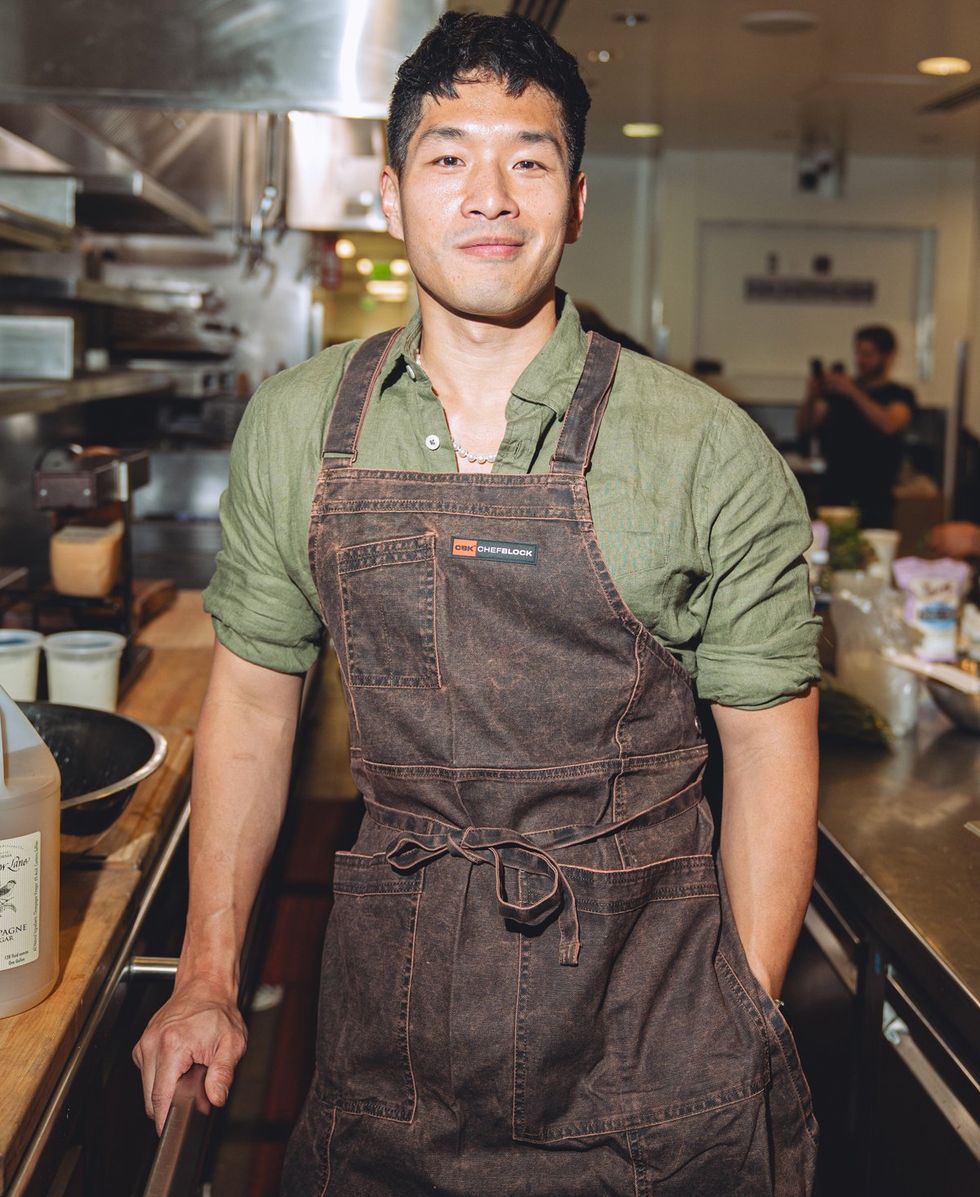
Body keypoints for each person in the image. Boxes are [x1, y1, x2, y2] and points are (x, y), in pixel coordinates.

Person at [134, 12, 821, 1195]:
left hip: (652, 1035)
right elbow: (250, 703)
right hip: (389, 1026)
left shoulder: (705, 448)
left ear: (577, 200)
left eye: (529, 161)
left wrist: (744, 1014)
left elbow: (767, 746)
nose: (489, 196)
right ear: (390, 195)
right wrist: (205, 977)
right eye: (448, 157)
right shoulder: (297, 426)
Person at [796, 325, 917, 528]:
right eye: (858, 353)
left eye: (868, 354)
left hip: (875, 498)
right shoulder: (838, 393)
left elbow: (889, 424)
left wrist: (852, 391)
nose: (861, 360)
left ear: (888, 356)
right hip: (835, 493)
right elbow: (805, 426)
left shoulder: (899, 394)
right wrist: (811, 396)